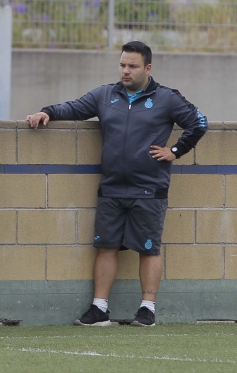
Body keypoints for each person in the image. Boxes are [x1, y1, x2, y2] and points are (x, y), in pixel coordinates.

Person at [26, 41, 208, 327]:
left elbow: (199, 122)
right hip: (111, 187)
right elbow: (75, 108)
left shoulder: (167, 98)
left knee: (149, 248)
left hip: (150, 189)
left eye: (132, 66)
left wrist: (174, 151)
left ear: (147, 68)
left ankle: (147, 309)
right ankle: (100, 309)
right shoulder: (105, 95)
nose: (125, 71)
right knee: (106, 246)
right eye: (122, 65)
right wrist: (47, 112)